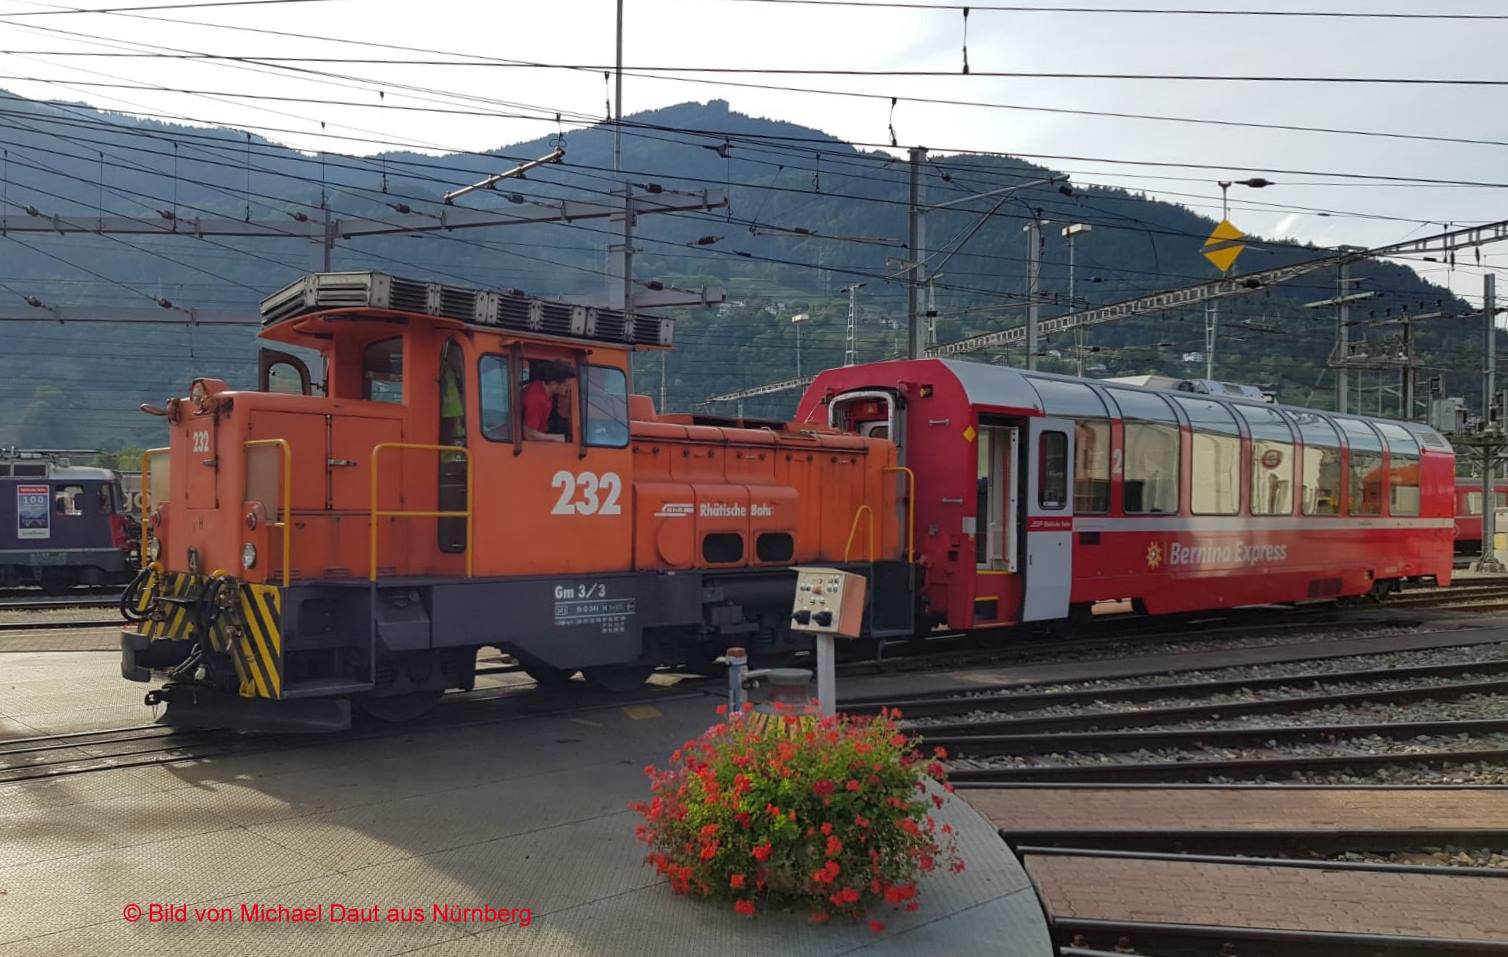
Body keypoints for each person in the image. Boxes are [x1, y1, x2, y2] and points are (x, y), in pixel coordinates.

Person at [521, 361, 575, 442]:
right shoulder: (537, 400)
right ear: (553, 383)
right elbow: (529, 436)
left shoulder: (541, 387)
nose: (569, 389)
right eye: (566, 385)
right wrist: (559, 438)